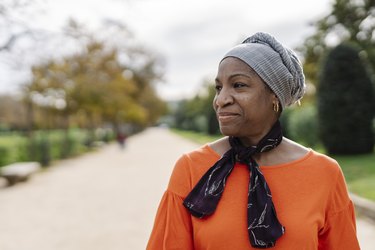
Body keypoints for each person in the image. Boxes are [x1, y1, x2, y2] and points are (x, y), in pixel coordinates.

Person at [146, 32, 360, 249]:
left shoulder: (324, 173)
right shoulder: (191, 168)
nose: (221, 100)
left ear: (274, 96)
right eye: (218, 88)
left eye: (238, 85)